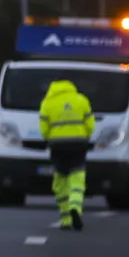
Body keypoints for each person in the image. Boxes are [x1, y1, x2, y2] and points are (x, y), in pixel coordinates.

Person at [39, 78, 94, 231]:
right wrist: (85, 137)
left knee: (60, 181)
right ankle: (75, 206)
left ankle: (65, 219)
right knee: (77, 179)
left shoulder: (47, 103)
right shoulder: (81, 100)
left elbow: (44, 128)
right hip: (78, 145)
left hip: (57, 146)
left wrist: (50, 139)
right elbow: (90, 124)